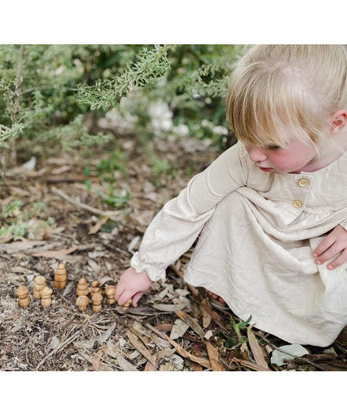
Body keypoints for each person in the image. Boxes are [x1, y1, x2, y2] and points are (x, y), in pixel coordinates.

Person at [115, 45, 347, 347]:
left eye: (271, 145)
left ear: (335, 124)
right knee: (231, 202)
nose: (253, 154)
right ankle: (236, 287)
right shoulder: (244, 158)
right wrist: (144, 267)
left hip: (323, 248)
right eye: (244, 137)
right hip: (267, 237)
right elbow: (191, 205)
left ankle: (308, 321)